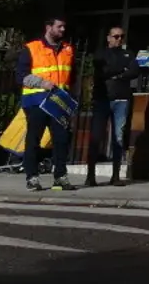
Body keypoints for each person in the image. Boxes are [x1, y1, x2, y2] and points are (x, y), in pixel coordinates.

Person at [17, 17, 76, 191]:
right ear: (48, 27)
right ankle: (32, 177)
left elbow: (71, 77)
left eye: (64, 26)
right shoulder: (32, 48)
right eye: (59, 26)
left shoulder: (68, 49)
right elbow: (21, 76)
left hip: (58, 102)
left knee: (62, 139)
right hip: (36, 101)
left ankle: (60, 176)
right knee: (34, 139)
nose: (63, 30)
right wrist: (42, 83)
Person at [86, 26, 140, 187]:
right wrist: (122, 71)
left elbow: (135, 71)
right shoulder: (101, 54)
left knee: (118, 137)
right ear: (108, 38)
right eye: (116, 36)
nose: (119, 39)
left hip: (121, 99)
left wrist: (119, 74)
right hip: (102, 99)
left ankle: (115, 175)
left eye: (122, 36)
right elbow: (103, 71)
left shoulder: (128, 54)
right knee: (96, 137)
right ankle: (90, 175)